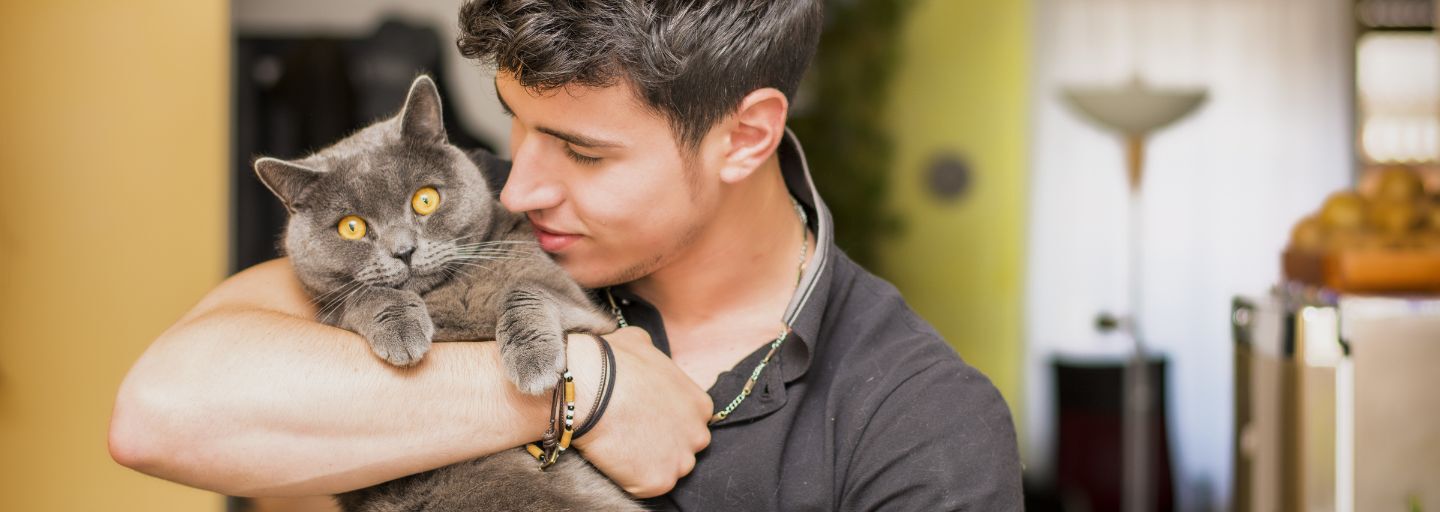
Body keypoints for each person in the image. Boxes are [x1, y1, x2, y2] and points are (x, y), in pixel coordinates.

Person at [109, 1, 1024, 509]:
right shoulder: (455, 218)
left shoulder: (922, 424)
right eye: (514, 124)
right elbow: (162, 414)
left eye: (582, 151)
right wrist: (577, 389)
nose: (516, 187)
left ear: (745, 138)